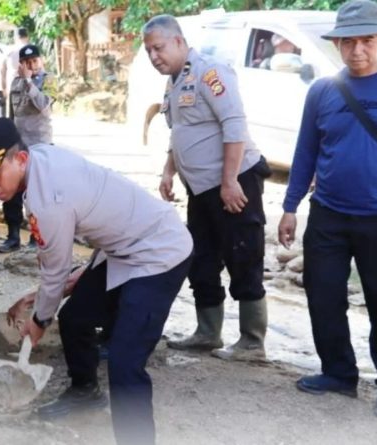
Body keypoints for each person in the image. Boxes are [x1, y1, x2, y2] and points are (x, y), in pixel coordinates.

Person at [0, 118, 194, 445]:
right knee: (75, 317)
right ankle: (85, 390)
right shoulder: (40, 159)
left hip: (159, 252)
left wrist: (40, 320)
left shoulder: (49, 200)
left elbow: (55, 271)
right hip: (120, 247)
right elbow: (60, 269)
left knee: (125, 363)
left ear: (21, 160)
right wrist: (52, 291)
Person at [277, 0, 377, 422]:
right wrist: (290, 206)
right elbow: (306, 153)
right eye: (348, 42)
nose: (357, 51)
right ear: (336, 45)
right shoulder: (322, 92)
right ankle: (338, 372)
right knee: (324, 295)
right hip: (329, 214)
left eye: (367, 40)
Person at [143, 15, 270, 361]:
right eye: (149, 51)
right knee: (200, 257)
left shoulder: (210, 72)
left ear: (179, 42)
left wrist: (229, 181)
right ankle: (208, 332)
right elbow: (179, 131)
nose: (154, 56)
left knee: (243, 254)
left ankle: (252, 341)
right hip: (200, 189)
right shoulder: (174, 82)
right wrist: (168, 171)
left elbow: (234, 125)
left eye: (159, 47)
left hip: (234, 181)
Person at [0, 43, 54, 254]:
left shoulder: (49, 80)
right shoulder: (15, 82)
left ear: (41, 61)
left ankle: (34, 237)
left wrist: (30, 82)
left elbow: (44, 106)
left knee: (36, 192)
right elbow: (11, 113)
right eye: (26, 62)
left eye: (34, 61)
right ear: (20, 64)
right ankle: (12, 236)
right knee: (11, 190)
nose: (31, 65)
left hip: (40, 145)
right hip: (18, 145)